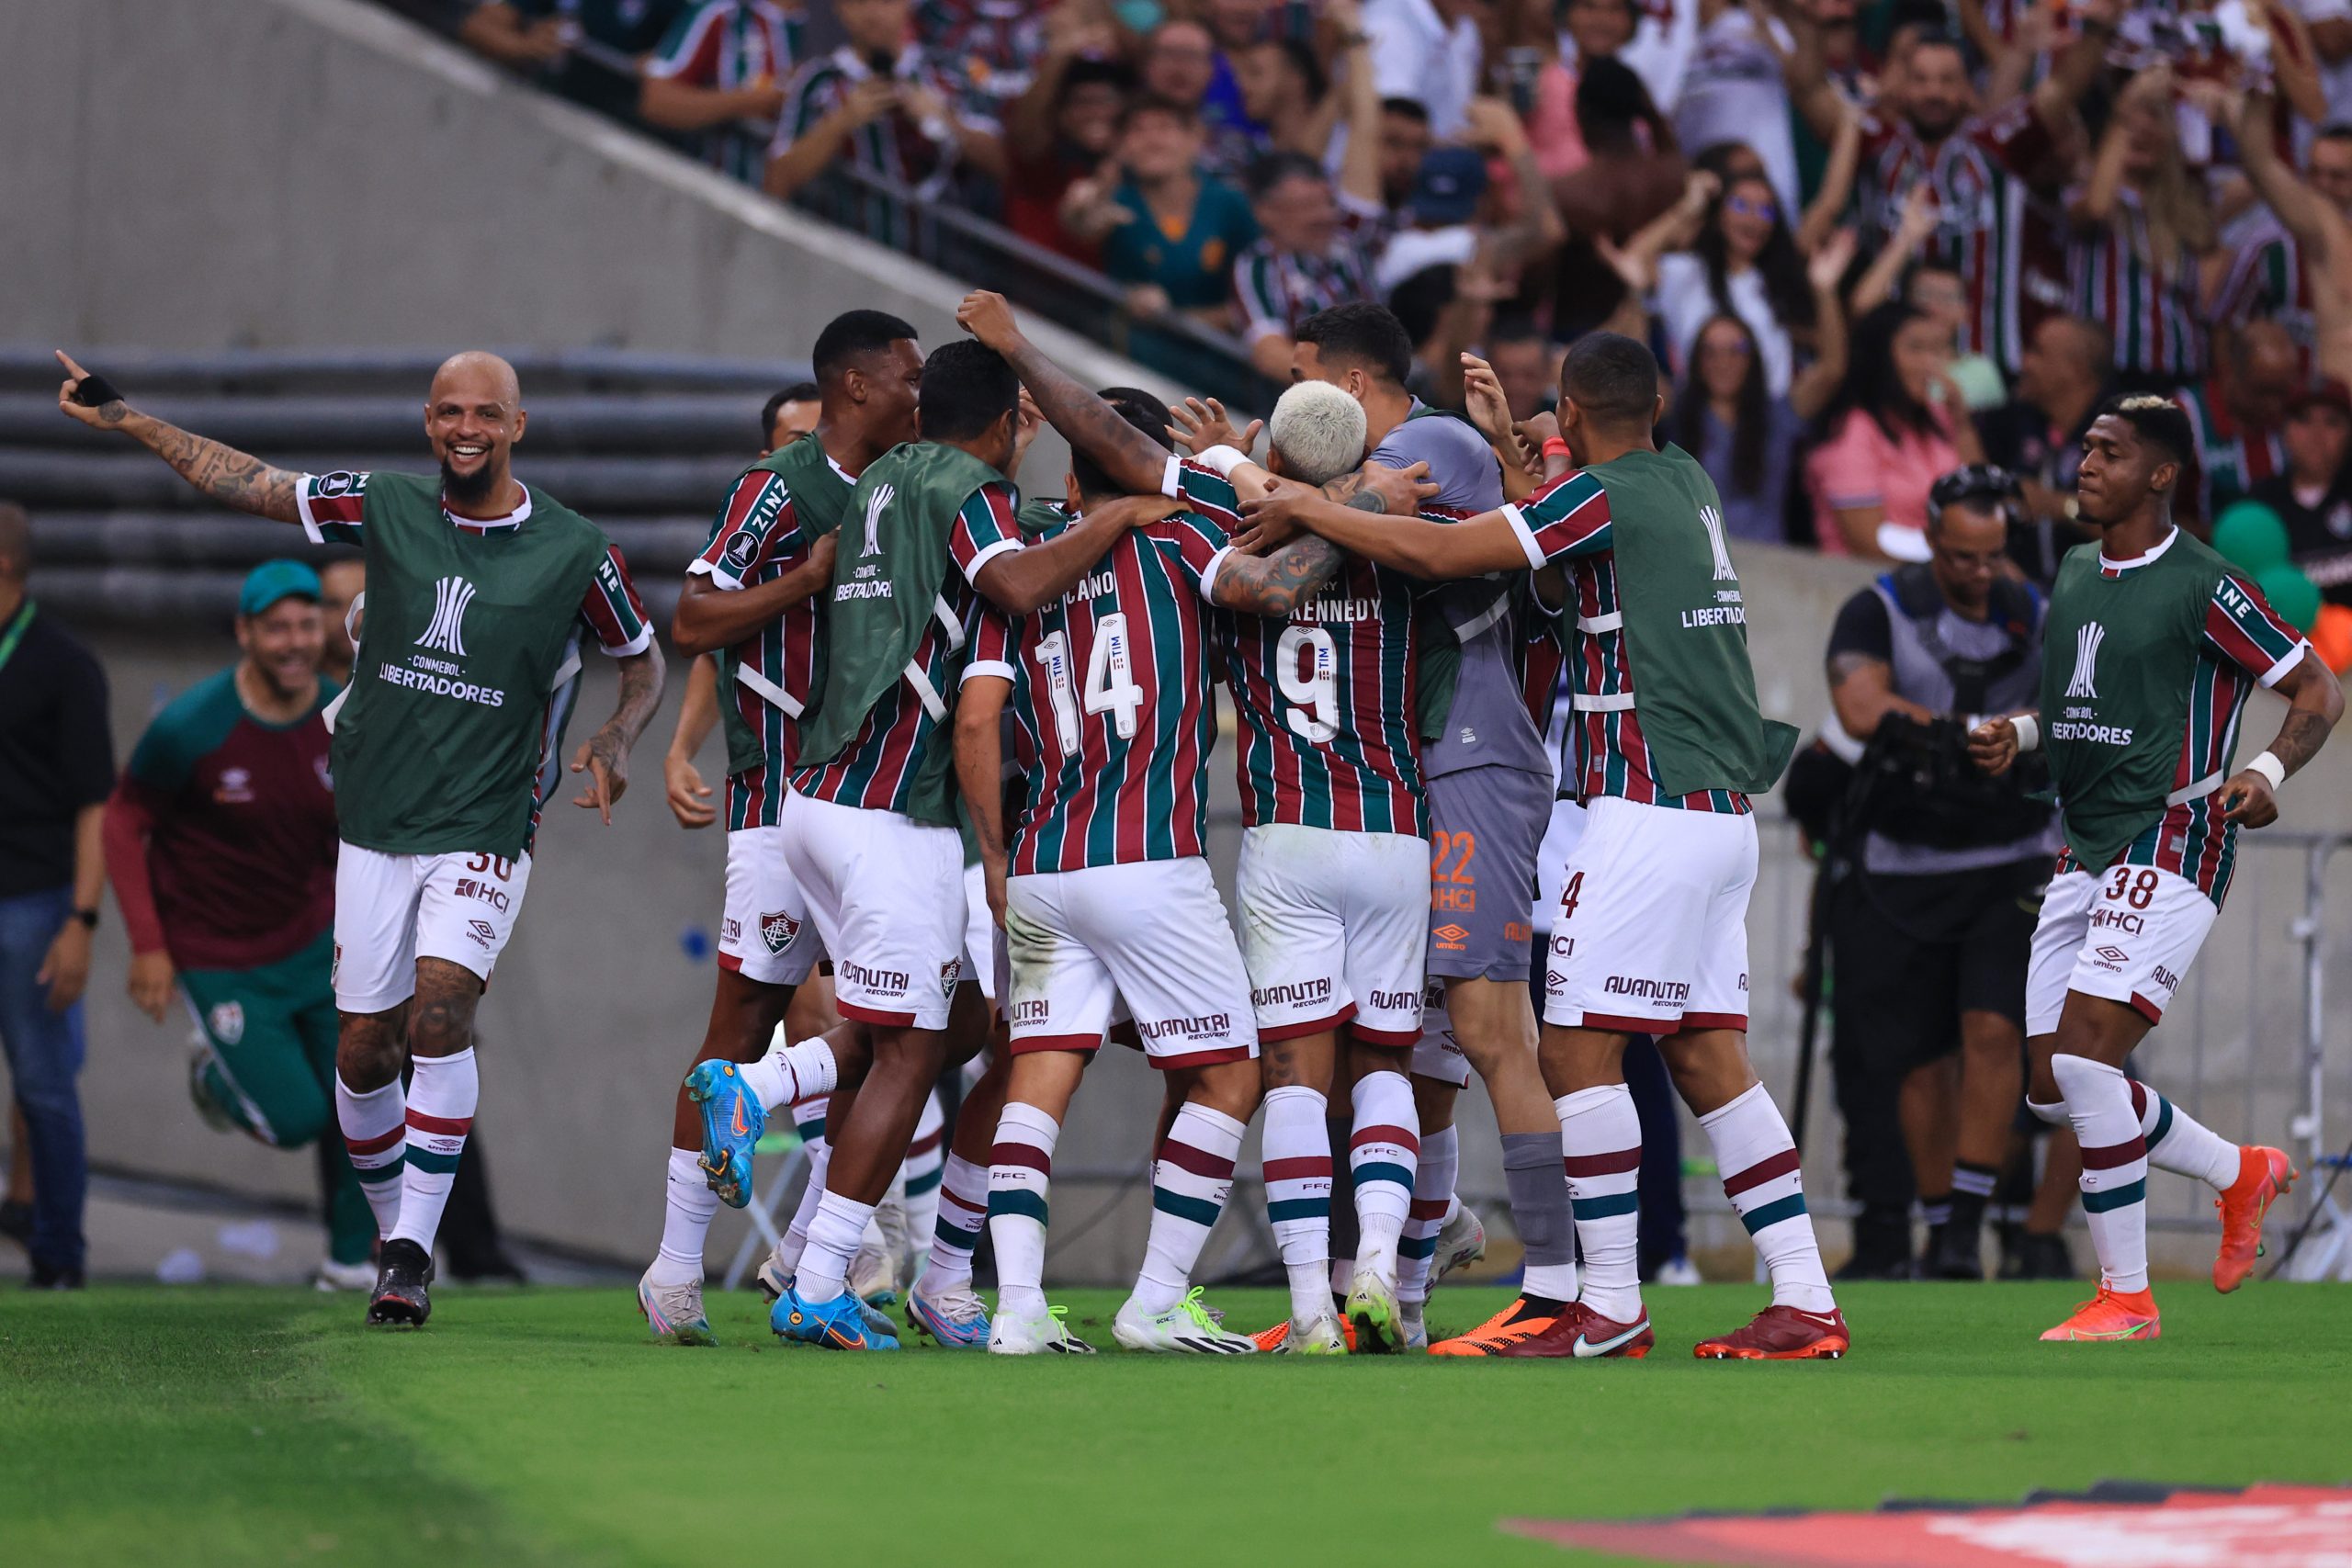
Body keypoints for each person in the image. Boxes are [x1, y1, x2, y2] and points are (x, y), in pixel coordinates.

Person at [1242, 332, 1850, 1360]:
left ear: (1566, 414)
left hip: (1642, 804)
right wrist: (1531, 465)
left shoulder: (1595, 499)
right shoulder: (1685, 480)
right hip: (1717, 816)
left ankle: (1604, 1305)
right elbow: (1569, 570)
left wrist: (1305, 505)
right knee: (1708, 1061)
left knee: (1572, 1051)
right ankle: (1804, 1298)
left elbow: (1438, 552)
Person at [55, 347, 665, 1327]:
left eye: (486, 414)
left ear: (518, 427)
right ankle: (395, 1237)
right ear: (429, 424)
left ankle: (416, 1250)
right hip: (377, 821)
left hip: (487, 819)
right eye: (449, 413)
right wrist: (130, 418)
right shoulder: (382, 505)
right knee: (365, 1051)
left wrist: (616, 735)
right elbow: (253, 484)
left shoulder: (575, 549)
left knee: (439, 1014)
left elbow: (641, 660)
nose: (467, 429)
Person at [746, 319, 1163, 1352]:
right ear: (1014, 421)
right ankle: (822, 1270)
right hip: (891, 809)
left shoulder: (887, 478)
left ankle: (924, 1265)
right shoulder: (970, 496)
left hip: (834, 793)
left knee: (982, 1030)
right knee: (919, 1048)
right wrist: (1122, 519)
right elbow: (1013, 592)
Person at [956, 384, 1346, 1355]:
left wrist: (996, 858)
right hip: (1145, 857)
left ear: (1071, 472)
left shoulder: (1026, 574)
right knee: (1228, 1078)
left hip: (1043, 859)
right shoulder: (1180, 539)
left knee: (1035, 1083)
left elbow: (975, 719)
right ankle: (1157, 1298)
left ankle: (1014, 1311)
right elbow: (1282, 563)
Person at [1967, 393, 2342, 1342]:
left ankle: (2126, 1299)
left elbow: (2316, 684)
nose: (2085, 463)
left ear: (2161, 474)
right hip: (2086, 841)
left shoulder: (2205, 584)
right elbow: (2081, 708)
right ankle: (2235, 1170)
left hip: (2175, 834)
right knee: (2052, 1087)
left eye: (2108, 451)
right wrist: (2019, 733)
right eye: (2085, 446)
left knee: (2091, 1058)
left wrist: (2261, 770)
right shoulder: (2077, 567)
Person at [1272, 303, 1576, 1354]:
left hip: (1475, 755)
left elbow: (1311, 528)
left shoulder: (1432, 445)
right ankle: (1397, 1297)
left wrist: (1270, 490)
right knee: (1420, 1049)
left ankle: (1555, 1291)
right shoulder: (1377, 465)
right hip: (1419, 767)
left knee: (1492, 1032)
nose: (1285, 405)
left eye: (1301, 381)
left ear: (1348, 391)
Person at [633, 311, 921, 1344]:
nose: (917, 393)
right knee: (746, 1028)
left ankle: (814, 1252)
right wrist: (804, 578)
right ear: (853, 384)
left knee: (895, 1028)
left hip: (877, 799)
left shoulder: (906, 483)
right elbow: (694, 618)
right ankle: (675, 1271)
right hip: (776, 798)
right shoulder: (776, 491)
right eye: (905, 376)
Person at [102, 560, 372, 1291]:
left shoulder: (344, 711)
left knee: (364, 1090)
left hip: (317, 941)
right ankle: (212, 1077)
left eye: (306, 623)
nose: (294, 641)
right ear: (245, 633)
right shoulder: (193, 726)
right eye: (276, 626)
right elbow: (125, 822)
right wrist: (149, 946)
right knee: (294, 1118)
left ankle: (350, 1262)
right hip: (217, 955)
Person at [1820, 470, 2060, 1280]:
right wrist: (1971, 732)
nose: (1979, 572)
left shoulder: (2040, 614)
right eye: (1962, 556)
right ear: (1931, 540)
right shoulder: (1878, 607)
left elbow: (2075, 708)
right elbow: (1859, 706)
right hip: (1904, 860)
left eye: (1993, 556)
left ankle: (1965, 1222)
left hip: (2012, 855)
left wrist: (2020, 737)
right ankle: (1937, 1229)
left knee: (1993, 1030)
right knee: (1919, 1055)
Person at [1789, 22, 2110, 376]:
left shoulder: (2002, 147)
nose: (1934, 92)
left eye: (1947, 80)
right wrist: (1806, 17)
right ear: (1902, 86)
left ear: (1967, 88)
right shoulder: (1874, 144)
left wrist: (2100, 28)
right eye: (1921, 80)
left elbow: (2063, 88)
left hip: (1988, 365)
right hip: (1890, 370)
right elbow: (1809, 90)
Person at [0, 502, 111, 1291]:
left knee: (42, 1084)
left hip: (32, 903)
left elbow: (95, 804)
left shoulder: (64, 663)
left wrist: (82, 920)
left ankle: (60, 1255)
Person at [1668, 232, 1854, 543]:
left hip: (1770, 570)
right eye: (1710, 351)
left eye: (1736, 349)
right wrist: (1634, 292)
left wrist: (1824, 290)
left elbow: (1832, 369)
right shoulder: (1676, 408)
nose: (1723, 361)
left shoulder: (1776, 415)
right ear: (1696, 361)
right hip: (1694, 571)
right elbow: (1629, 364)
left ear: (1753, 359)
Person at [762, 0, 1004, 221]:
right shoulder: (820, 80)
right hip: (847, 251)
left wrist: (946, 121)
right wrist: (841, 122)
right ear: (839, 8)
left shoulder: (948, 73)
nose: (873, 13)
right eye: (860, 3)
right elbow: (777, 180)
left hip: (942, 259)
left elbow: (1007, 168)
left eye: (886, 1)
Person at [2064, 66, 2214, 389]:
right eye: (2134, 119)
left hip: (2179, 373)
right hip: (2107, 373)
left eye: (2156, 118)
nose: (2142, 128)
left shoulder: (2189, 207)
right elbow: (2097, 208)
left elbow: (2257, 181)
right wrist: (2124, 111)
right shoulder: (2081, 196)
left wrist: (2226, 109)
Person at [1807, 300, 1986, 558]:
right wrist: (1960, 558)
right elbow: (1869, 542)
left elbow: (1981, 500)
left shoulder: (1936, 416)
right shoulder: (1852, 429)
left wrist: (1961, 423)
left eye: (1937, 350)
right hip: (1865, 584)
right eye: (1916, 349)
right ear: (1878, 355)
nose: (1930, 363)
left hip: (1946, 576)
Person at [1064, 97, 1261, 324]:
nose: (1152, 140)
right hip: (1124, 351)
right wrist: (1086, 202)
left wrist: (1175, 319)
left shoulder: (1229, 203)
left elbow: (1258, 300)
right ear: (1122, 145)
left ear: (1194, 138)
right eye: (1137, 130)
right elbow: (1082, 223)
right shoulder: (1118, 201)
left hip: (1213, 353)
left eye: (1164, 127)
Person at [1647, 167, 1819, 399]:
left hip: (1767, 424)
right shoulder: (1686, 271)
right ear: (1718, 213)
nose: (1754, 219)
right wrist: (1687, 208)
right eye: (1740, 205)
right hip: (1689, 423)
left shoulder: (1780, 284)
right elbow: (1631, 263)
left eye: (1766, 211)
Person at [1976, 315, 2112, 584]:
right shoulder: (2019, 419)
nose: (2024, 364)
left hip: (2099, 599)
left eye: (2037, 352)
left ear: (2076, 368)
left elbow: (2135, 534)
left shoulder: (2122, 433)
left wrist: (2059, 506)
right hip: (2020, 592)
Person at [1231, 146, 1387, 378]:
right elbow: (1270, 353)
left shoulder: (1349, 252)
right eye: (1308, 206)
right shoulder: (1257, 267)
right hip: (1311, 404)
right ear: (1266, 212)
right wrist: (1347, 390)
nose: (1324, 215)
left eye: (1329, 203)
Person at [2218, 123, 2352, 378]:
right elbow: (2226, 326)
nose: (2323, 184)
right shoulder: (2267, 248)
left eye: (2338, 176)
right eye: (2314, 172)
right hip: (2278, 405)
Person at [638, 0, 801, 186]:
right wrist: (746, 101)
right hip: (710, 188)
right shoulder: (724, 12)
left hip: (803, 209)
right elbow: (656, 102)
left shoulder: (827, 37)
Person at [1001, 39, 1131, 265]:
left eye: (1105, 100)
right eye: (1082, 102)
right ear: (1061, 114)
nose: (1095, 112)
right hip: (1033, 287)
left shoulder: (1136, 168)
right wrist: (1061, 53)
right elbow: (1027, 128)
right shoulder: (1042, 162)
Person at [458, 0, 685, 121]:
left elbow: (676, 78)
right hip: (538, 108)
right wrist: (525, 45)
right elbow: (478, 26)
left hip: (616, 131)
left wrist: (661, 66)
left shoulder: (675, 8)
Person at [2175, 320, 2301, 530]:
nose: (2273, 405)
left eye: (2281, 392)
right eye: (2262, 391)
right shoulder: (2183, 417)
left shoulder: (2297, 413)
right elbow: (2152, 517)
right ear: (2229, 371)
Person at [2250, 380, 2352, 607]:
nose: (2317, 434)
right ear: (2283, 431)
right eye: (2303, 419)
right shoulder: (2259, 505)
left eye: (2332, 422)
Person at [1364, 0, 1482, 140]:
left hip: (1446, 154)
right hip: (1394, 158)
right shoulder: (1388, 25)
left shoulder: (1466, 25)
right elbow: (1394, 132)